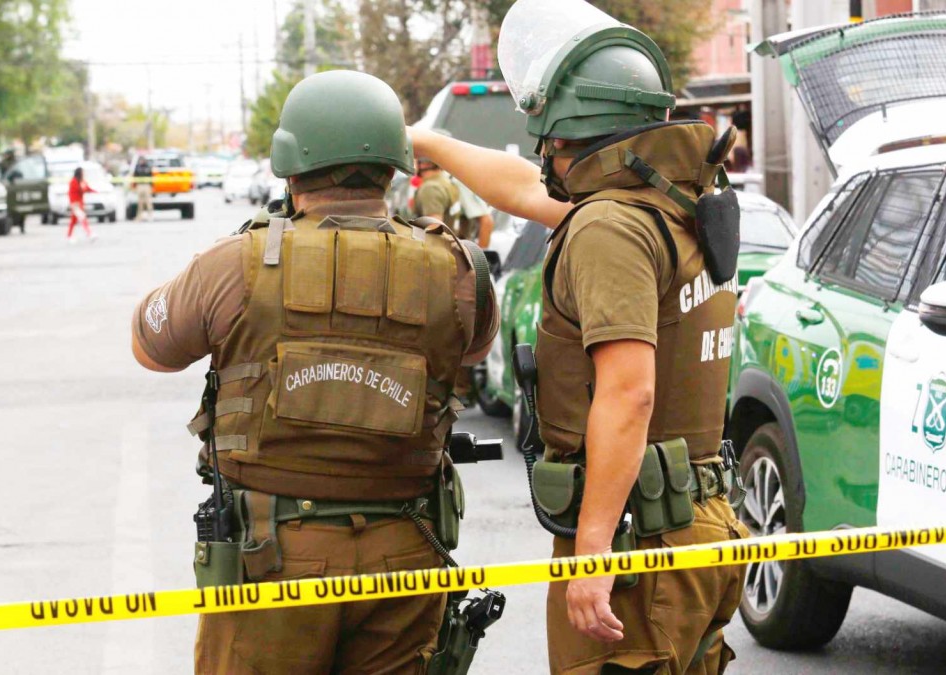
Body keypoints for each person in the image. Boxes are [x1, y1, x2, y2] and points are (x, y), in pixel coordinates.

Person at [409, 0, 749, 672]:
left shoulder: (608, 228)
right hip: (693, 522)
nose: (544, 155)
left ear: (574, 132)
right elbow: (525, 189)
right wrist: (428, 142)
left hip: (635, 541)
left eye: (551, 140)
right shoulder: (671, 203)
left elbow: (628, 394)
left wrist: (593, 554)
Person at [130, 70, 498, 674]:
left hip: (271, 558)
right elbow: (475, 350)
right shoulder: (457, 270)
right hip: (405, 552)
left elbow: (153, 347)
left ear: (289, 166)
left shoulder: (236, 264)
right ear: (394, 167)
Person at [67, 166, 95, 242]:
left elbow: (87, 188)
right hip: (75, 204)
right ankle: (89, 233)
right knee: (82, 218)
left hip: (80, 203)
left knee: (73, 220)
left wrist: (94, 191)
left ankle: (69, 235)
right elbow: (79, 190)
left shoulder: (82, 181)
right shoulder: (74, 181)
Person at [133, 157, 155, 221]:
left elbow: (151, 176)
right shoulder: (137, 167)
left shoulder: (148, 167)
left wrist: (151, 186)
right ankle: (139, 217)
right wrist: (135, 185)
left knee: (148, 201)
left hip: (146, 185)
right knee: (140, 202)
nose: (141, 161)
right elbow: (135, 176)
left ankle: (150, 216)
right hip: (139, 185)